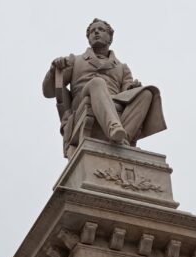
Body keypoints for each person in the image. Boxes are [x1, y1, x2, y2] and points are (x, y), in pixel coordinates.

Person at [43, 18, 167, 156]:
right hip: (84, 101)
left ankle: (122, 138)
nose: (95, 32)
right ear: (88, 38)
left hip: (115, 102)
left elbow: (127, 91)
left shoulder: (122, 67)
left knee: (148, 93)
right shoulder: (75, 60)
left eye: (101, 29)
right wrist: (53, 69)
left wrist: (133, 88)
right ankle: (114, 128)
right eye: (91, 31)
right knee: (97, 82)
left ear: (110, 38)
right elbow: (48, 92)